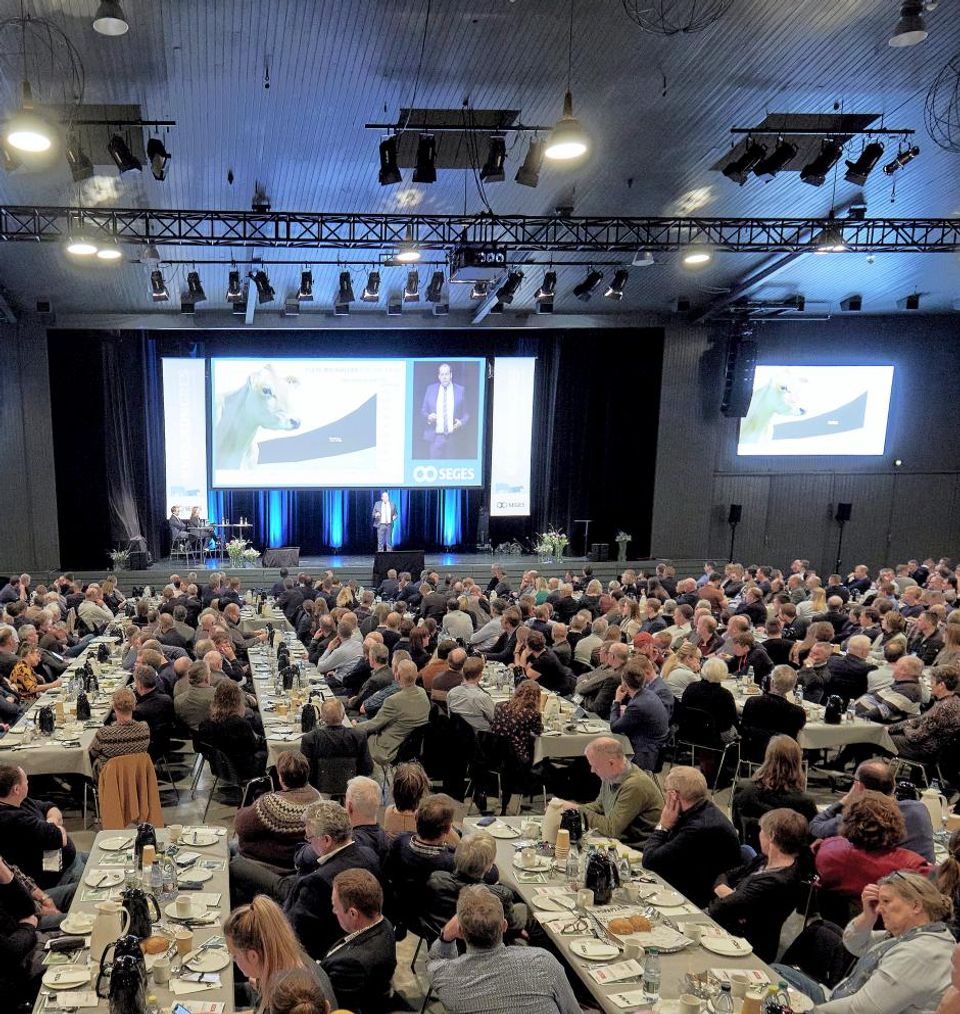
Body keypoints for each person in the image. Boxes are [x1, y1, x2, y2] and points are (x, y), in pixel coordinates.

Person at [778, 874, 954, 1013]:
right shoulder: (917, 934)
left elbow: (862, 1010)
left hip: (846, 1007)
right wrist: (868, 917)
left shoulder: (919, 954)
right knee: (779, 972)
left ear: (915, 906)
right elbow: (854, 945)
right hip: (841, 999)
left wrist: (811, 1011)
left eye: (886, 901)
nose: (879, 908)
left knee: (775, 981)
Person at [427, 885, 580, 1014]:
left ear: (460, 932)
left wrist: (445, 936)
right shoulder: (544, 962)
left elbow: (435, 960)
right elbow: (572, 1011)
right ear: (504, 926)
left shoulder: (446, 979)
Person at [708, 808, 810, 963]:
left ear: (772, 836)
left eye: (762, 830)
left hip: (746, 947)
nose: (759, 834)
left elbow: (717, 909)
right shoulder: (763, 860)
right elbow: (725, 875)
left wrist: (727, 895)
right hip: (731, 929)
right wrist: (733, 896)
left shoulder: (778, 881)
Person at [283, 800, 381, 960]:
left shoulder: (317, 883)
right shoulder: (369, 856)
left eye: (309, 837)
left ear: (327, 840)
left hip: (323, 957)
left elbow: (296, 935)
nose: (309, 841)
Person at [641, 765, 742, 907]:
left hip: (699, 900)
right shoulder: (701, 810)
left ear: (673, 795)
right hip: (692, 882)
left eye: (665, 791)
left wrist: (663, 825)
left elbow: (650, 861)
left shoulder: (699, 827)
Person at [224, 895, 337, 1014]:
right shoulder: (292, 958)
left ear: (253, 956)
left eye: (235, 956)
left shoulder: (285, 997)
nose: (234, 960)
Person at [813, 791, 930, 904]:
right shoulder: (913, 865)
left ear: (848, 820)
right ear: (896, 822)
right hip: (892, 922)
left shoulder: (827, 850)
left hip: (837, 922)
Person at [810, 759, 935, 863]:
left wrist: (845, 800)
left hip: (888, 884)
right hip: (924, 882)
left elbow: (816, 826)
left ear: (859, 786)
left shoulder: (859, 815)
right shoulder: (919, 808)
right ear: (893, 784)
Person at [558, 737, 664, 846]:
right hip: (621, 838)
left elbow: (611, 829)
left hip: (638, 847)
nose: (592, 770)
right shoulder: (610, 775)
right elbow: (600, 806)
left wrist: (577, 810)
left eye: (595, 767)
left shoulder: (634, 785)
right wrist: (572, 811)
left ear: (611, 763)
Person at [321, 869, 397, 1014]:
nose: (333, 911)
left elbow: (335, 1005)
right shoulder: (384, 923)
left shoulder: (352, 965)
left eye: (335, 906)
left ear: (353, 913)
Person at [0, 765, 84, 896]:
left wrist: (50, 824)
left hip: (71, 860)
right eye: (25, 781)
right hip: (61, 877)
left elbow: (49, 807)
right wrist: (54, 828)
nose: (28, 783)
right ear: (16, 789)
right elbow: (60, 838)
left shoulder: (18, 800)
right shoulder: (13, 819)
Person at [423, 833, 523, 941]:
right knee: (528, 914)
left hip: (441, 944)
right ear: (490, 866)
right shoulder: (499, 895)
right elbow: (513, 930)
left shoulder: (436, 879)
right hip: (482, 951)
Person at [233, 751, 321, 870]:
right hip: (301, 864)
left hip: (270, 863)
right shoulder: (318, 798)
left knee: (227, 847)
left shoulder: (273, 804)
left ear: (281, 777)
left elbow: (240, 826)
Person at [731, 735, 818, 851]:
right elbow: (812, 839)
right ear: (797, 762)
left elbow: (736, 823)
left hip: (752, 855)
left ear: (767, 757)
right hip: (788, 860)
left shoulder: (744, 789)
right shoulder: (804, 803)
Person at [359, 659, 430, 776]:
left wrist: (354, 726)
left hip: (389, 747)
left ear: (397, 675)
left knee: (356, 737)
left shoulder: (393, 700)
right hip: (412, 746)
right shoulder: (422, 693)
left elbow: (373, 725)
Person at [198, 680, 267, 781]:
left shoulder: (206, 722)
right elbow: (254, 747)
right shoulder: (240, 725)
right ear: (238, 701)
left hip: (221, 769)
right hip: (242, 770)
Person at [889, 665, 960, 762]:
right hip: (930, 745)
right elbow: (921, 719)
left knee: (879, 739)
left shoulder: (942, 709)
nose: (930, 685)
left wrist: (905, 726)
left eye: (932, 682)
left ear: (941, 685)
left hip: (922, 749)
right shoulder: (954, 700)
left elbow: (915, 737)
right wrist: (895, 727)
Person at [608, 661, 670, 772]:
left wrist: (617, 701)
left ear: (624, 684)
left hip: (643, 753)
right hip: (654, 746)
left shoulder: (637, 704)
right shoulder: (649, 694)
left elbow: (614, 727)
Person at [383, 762, 460, 846]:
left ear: (395, 789)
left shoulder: (389, 811)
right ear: (422, 789)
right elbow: (457, 843)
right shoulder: (428, 819)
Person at [300, 698, 373, 785]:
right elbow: (367, 768)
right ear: (343, 716)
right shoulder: (359, 736)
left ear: (321, 717)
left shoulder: (310, 738)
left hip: (318, 788)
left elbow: (304, 771)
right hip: (351, 786)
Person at [740, 664, 806, 750]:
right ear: (792, 688)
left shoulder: (753, 702)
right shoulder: (798, 712)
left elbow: (743, 730)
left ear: (772, 682)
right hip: (782, 755)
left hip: (753, 751)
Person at [88, 687, 151, 778]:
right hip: (137, 777)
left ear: (113, 707)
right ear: (134, 705)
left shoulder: (104, 734)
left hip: (111, 780)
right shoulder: (144, 729)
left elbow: (91, 754)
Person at [421, 362, 469, 459]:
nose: (444, 377)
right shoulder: (430, 389)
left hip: (454, 438)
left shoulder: (461, 390)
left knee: (452, 469)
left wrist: (461, 423)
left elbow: (467, 414)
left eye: (446, 374)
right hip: (435, 438)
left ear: (451, 375)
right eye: (442, 374)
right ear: (439, 376)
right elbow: (423, 411)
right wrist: (428, 417)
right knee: (435, 468)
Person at [446, 656, 496, 731]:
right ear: (480, 676)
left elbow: (450, 716)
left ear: (462, 672)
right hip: (481, 737)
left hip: (457, 735)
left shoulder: (451, 693)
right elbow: (495, 719)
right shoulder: (482, 697)